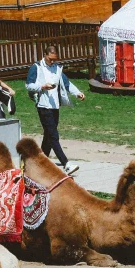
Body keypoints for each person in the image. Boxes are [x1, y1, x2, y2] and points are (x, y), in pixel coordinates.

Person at [26, 46, 85, 174]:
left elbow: (67, 83)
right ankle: (66, 163)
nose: (52, 62)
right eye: (50, 59)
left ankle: (39, 161)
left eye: (54, 59)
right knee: (53, 135)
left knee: (48, 135)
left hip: (55, 105)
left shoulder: (57, 68)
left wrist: (77, 93)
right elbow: (29, 85)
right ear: (45, 55)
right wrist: (42, 86)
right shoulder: (36, 67)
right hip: (43, 105)